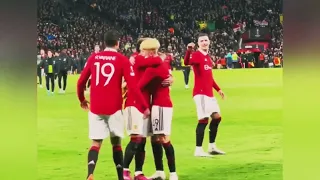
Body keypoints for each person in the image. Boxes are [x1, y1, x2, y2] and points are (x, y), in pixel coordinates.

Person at [77, 30, 151, 180]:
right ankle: (120, 177)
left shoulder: (94, 58)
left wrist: (82, 99)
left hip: (96, 107)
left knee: (96, 142)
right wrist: (144, 106)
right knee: (116, 142)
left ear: (104, 43)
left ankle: (90, 173)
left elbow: (81, 82)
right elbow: (133, 86)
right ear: (117, 43)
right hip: (114, 108)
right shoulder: (121, 59)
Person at [137, 38, 178, 180]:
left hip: (161, 105)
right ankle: (160, 171)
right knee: (155, 138)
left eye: (144, 51)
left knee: (163, 137)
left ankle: (173, 173)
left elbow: (138, 87)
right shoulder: (161, 62)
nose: (142, 54)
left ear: (150, 51)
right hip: (159, 104)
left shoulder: (153, 67)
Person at [184, 33, 226, 157]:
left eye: (206, 40)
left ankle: (212, 146)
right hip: (201, 94)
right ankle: (198, 150)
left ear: (209, 41)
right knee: (203, 120)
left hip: (209, 94)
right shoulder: (197, 55)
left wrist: (218, 90)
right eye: (201, 41)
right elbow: (187, 62)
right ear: (198, 43)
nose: (204, 42)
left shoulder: (207, 57)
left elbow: (209, 77)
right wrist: (189, 50)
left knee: (217, 117)